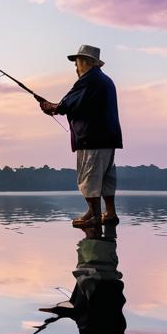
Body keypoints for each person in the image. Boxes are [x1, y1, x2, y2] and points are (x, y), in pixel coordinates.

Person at [39, 44, 122, 237]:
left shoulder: (89, 80)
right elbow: (77, 102)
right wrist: (57, 107)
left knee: (89, 177)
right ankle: (109, 213)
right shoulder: (105, 80)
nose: (76, 67)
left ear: (87, 62)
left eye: (78, 62)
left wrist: (52, 108)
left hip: (91, 139)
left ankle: (93, 216)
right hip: (108, 139)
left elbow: (67, 104)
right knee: (107, 178)